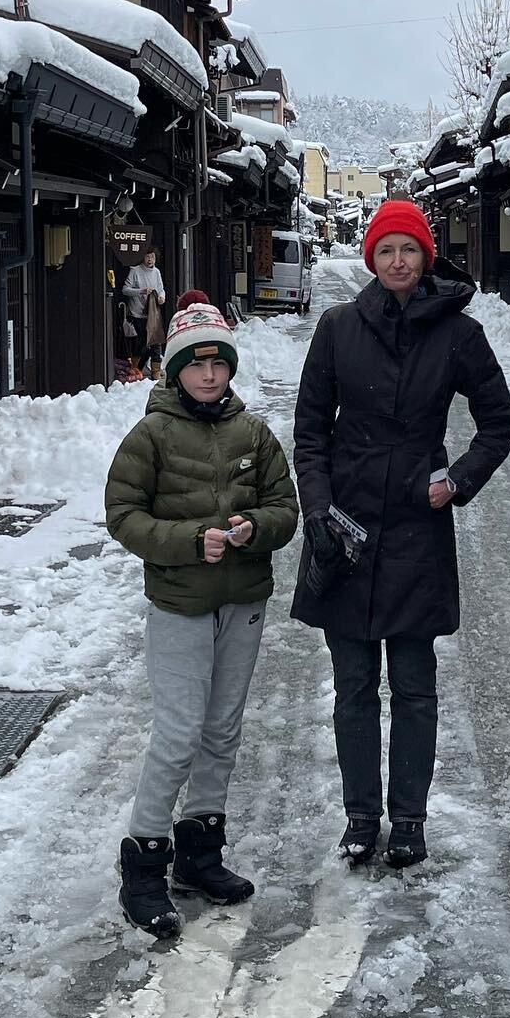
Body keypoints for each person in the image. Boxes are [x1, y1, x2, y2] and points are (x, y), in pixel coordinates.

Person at [292, 200, 510, 871]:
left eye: (409, 250)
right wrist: (320, 508)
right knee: (354, 681)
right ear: (371, 257)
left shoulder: (458, 334)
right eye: (386, 249)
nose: (397, 261)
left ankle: (410, 819)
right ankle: (361, 817)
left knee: (415, 684)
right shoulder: (337, 327)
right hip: (348, 527)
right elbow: (308, 431)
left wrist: (456, 481)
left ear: (425, 259)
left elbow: (498, 421)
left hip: (418, 526)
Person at [106, 291, 300, 939]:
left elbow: (286, 509)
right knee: (179, 733)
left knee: (222, 730)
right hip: (181, 604)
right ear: (175, 368)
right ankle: (144, 863)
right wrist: (191, 540)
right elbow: (124, 517)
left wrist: (255, 528)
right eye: (196, 363)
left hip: (242, 600)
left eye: (219, 363)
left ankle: (200, 852)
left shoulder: (254, 433)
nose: (210, 374)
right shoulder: (151, 435)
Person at [122, 249, 167, 377]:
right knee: (141, 342)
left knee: (155, 341)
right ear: (143, 257)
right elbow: (125, 290)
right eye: (147, 256)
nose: (149, 259)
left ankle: (155, 372)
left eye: (152, 257)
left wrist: (162, 297)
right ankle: (136, 368)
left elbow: (161, 289)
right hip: (137, 312)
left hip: (153, 312)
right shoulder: (135, 271)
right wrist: (141, 291)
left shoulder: (156, 272)